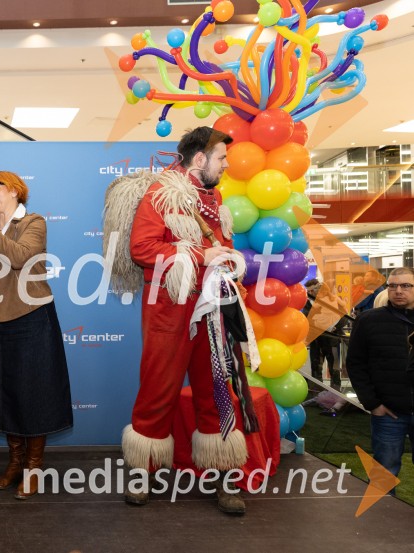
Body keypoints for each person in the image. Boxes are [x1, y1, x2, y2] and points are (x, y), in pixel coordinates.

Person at [114, 127, 259, 515]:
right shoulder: (161, 195)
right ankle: (142, 473)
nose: (226, 165)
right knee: (157, 393)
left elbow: (220, 248)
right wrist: (200, 256)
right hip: (169, 309)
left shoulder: (214, 199)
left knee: (217, 392)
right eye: (221, 158)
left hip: (212, 309)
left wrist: (228, 261)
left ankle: (224, 476)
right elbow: (142, 249)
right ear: (200, 159)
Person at [0, 171, 73, 500]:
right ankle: (15, 462)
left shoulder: (33, 222)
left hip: (31, 319)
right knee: (7, 395)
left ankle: (33, 467)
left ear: (15, 191)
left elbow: (18, 258)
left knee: (35, 395)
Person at [347, 267, 414, 492]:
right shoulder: (368, 320)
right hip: (388, 414)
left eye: (406, 286)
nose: (398, 291)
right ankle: (382, 526)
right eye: (392, 286)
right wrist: (373, 404)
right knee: (383, 477)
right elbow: (355, 364)